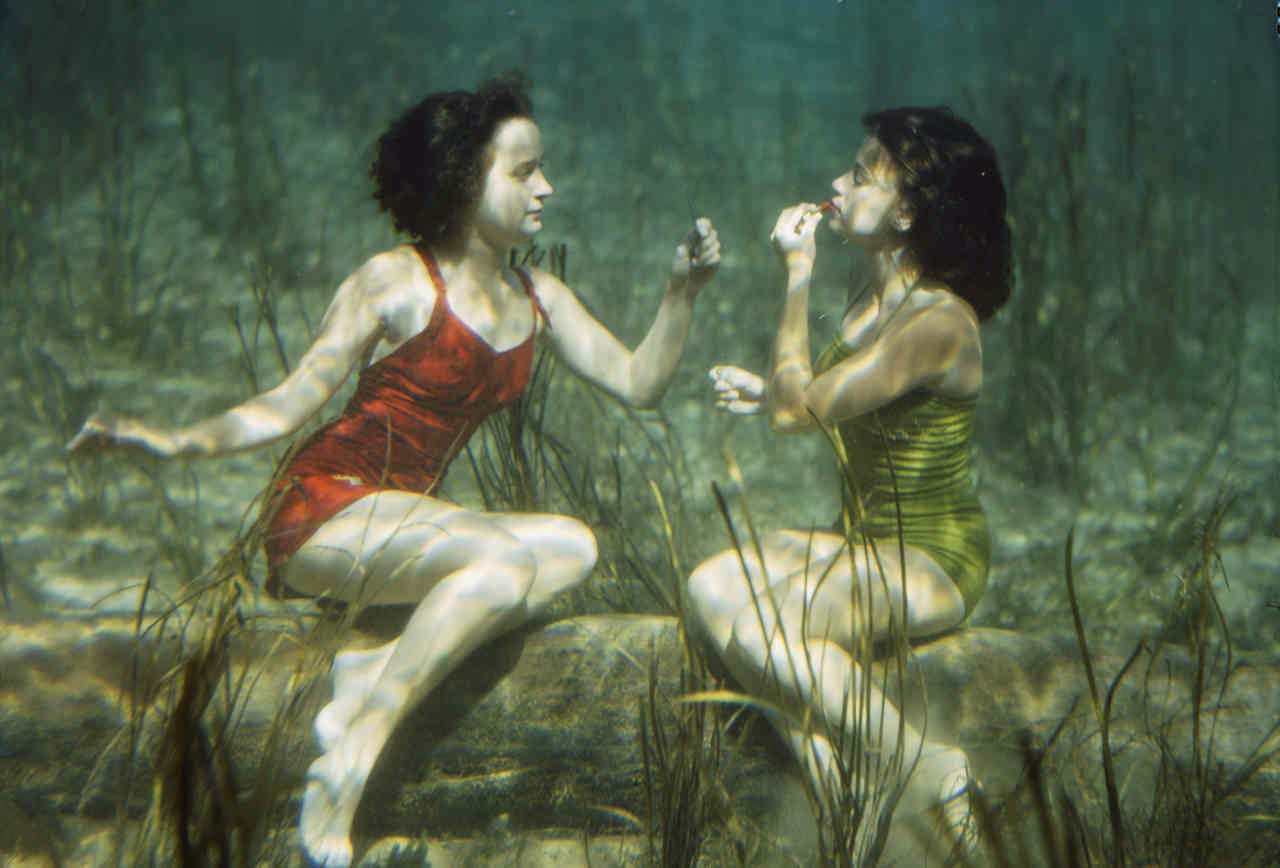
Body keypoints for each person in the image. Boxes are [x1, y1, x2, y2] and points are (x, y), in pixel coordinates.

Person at [68, 75, 720, 867]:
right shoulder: (394, 281)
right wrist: (163, 442)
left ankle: (372, 662)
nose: (546, 187)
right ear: (458, 180)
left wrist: (681, 292)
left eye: (540, 168)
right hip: (323, 513)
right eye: (522, 172)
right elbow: (286, 404)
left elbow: (637, 383)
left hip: (404, 525)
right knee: (506, 559)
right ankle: (354, 743)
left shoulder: (537, 293)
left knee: (574, 546)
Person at [687, 106, 1010, 843]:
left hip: (933, 557)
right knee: (708, 588)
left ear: (908, 210)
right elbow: (813, 400)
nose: (838, 182)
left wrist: (796, 277)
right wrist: (771, 387)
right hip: (860, 541)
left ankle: (931, 766)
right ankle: (835, 779)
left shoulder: (938, 321)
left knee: (766, 632)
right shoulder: (869, 302)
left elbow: (798, 416)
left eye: (860, 173)